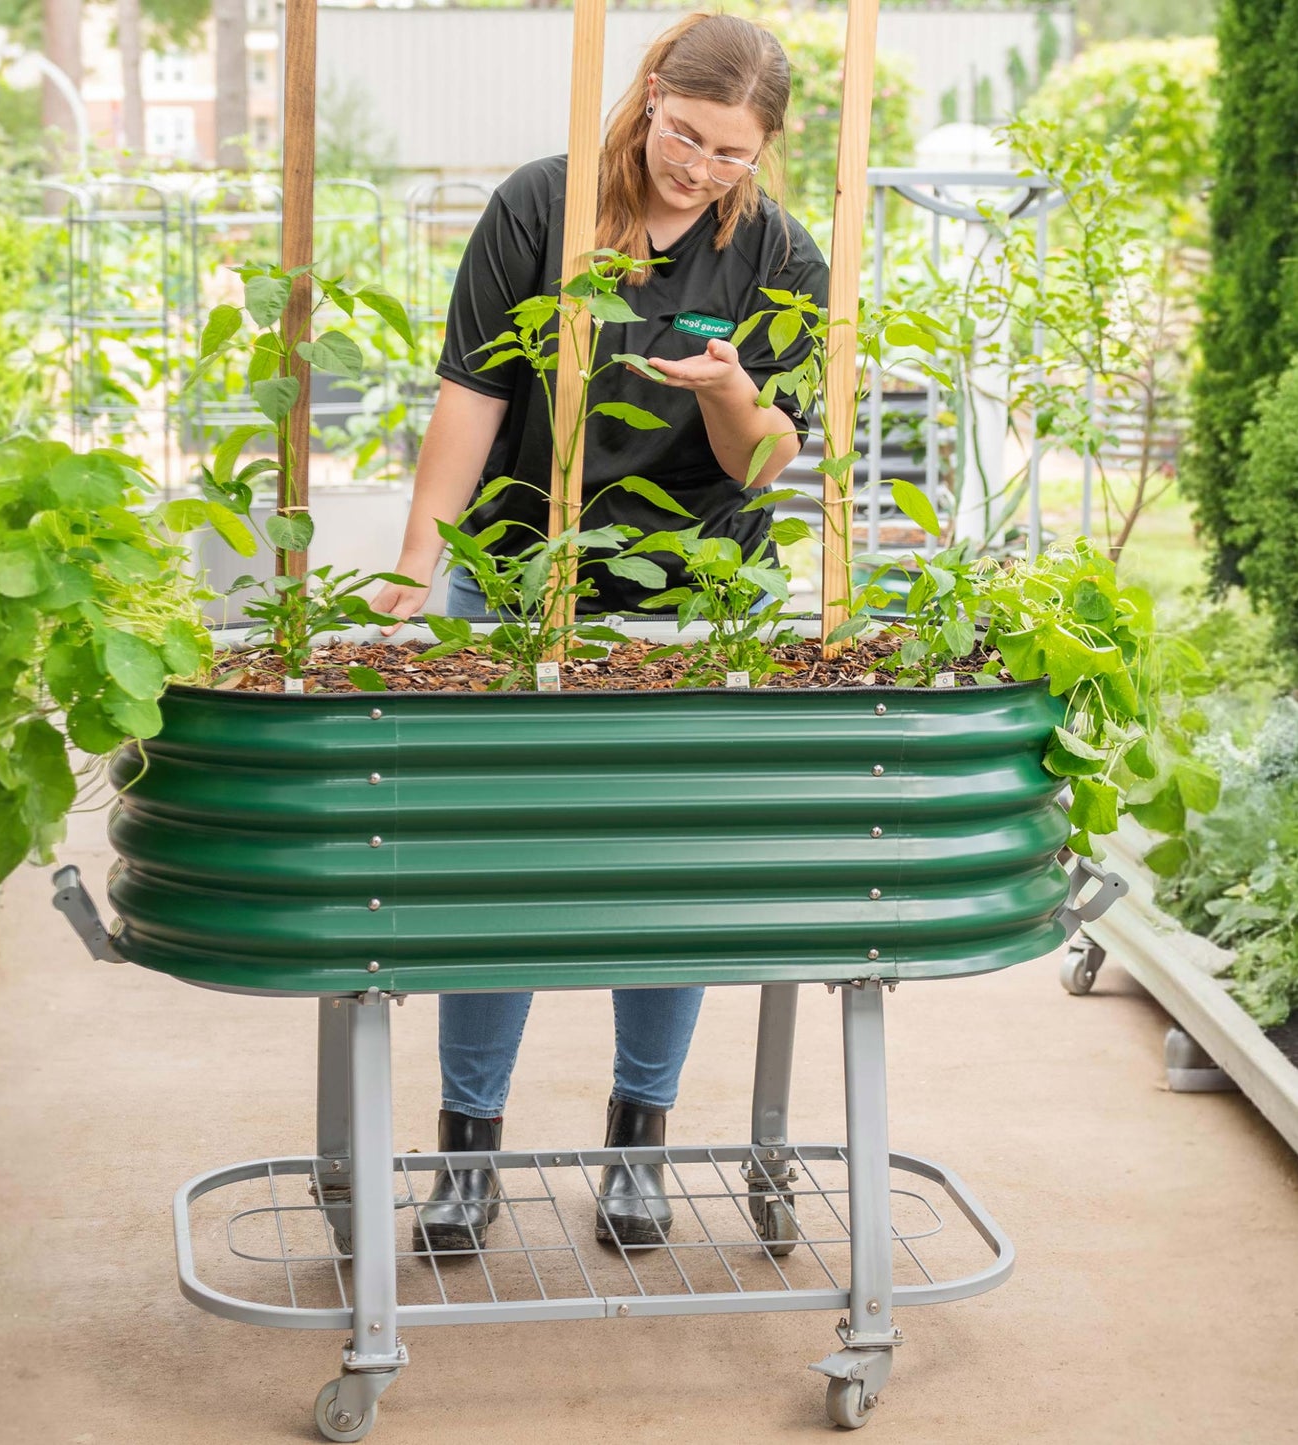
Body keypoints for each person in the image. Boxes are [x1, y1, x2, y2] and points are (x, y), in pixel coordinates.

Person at [371, 11, 830, 1253]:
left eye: (731, 153)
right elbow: (472, 393)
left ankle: (641, 1140)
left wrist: (732, 386)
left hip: (688, 590)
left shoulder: (781, 253)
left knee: (662, 870)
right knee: (498, 871)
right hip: (522, 575)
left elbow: (765, 463)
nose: (699, 167)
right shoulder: (541, 209)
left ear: (762, 151)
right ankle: (467, 1152)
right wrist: (423, 564)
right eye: (686, 135)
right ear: (647, 97)